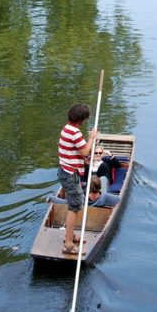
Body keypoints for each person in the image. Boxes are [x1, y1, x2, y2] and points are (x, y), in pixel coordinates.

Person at [57, 103, 97, 255]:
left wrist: (83, 161)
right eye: (84, 119)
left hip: (64, 171)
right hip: (71, 174)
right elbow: (85, 150)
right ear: (80, 119)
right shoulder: (75, 133)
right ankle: (68, 244)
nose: (85, 122)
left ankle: (70, 235)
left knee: (72, 205)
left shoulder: (66, 129)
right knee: (74, 208)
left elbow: (73, 152)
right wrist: (92, 138)